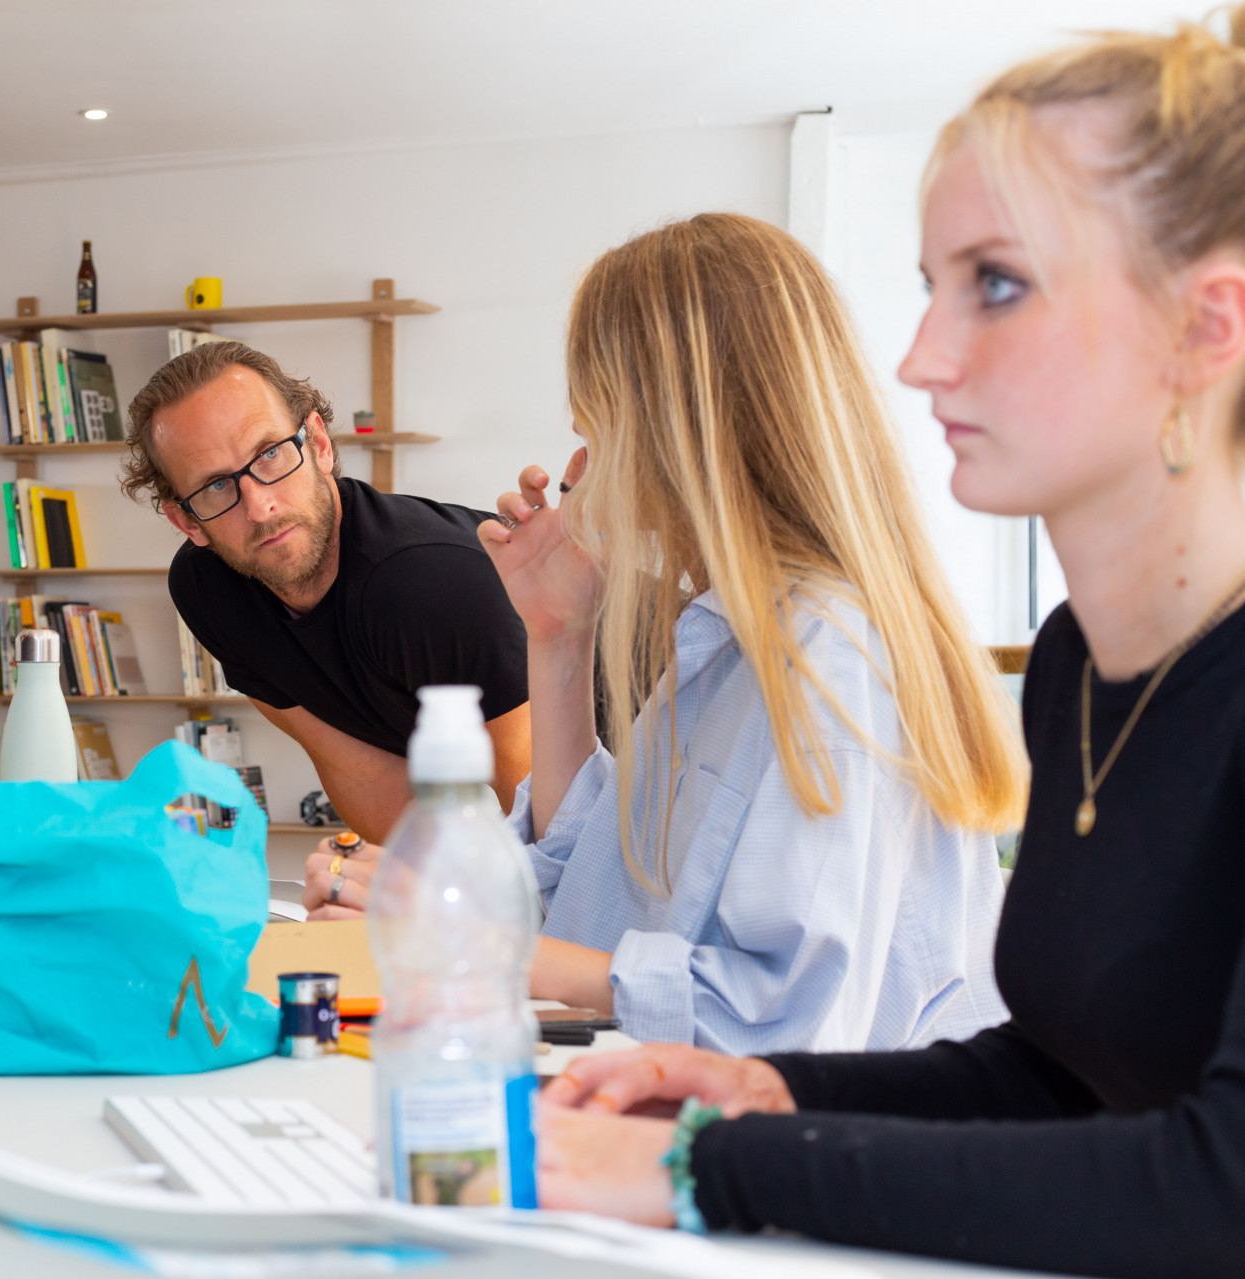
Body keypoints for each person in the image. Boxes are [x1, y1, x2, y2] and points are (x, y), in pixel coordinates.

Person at [533, 14, 1245, 1275]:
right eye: (931, 291)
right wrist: (768, 1090)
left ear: (1205, 327)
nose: (919, 361)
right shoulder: (1080, 665)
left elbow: (1216, 1183)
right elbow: (1062, 1077)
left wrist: (707, 1163)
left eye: (998, 285)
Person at [313, 213, 1026, 1057]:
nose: (581, 457)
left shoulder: (829, 659)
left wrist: (477, 937)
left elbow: (782, 1020)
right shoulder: (726, 637)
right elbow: (598, 884)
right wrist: (559, 633)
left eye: (595, 422)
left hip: (827, 1124)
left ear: (673, 430)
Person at [123, 341, 530, 844]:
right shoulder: (209, 591)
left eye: (269, 454)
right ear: (186, 521)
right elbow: (359, 770)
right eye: (215, 486)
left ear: (318, 444)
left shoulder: (430, 581)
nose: (259, 507)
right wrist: (415, 879)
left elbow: (546, 805)